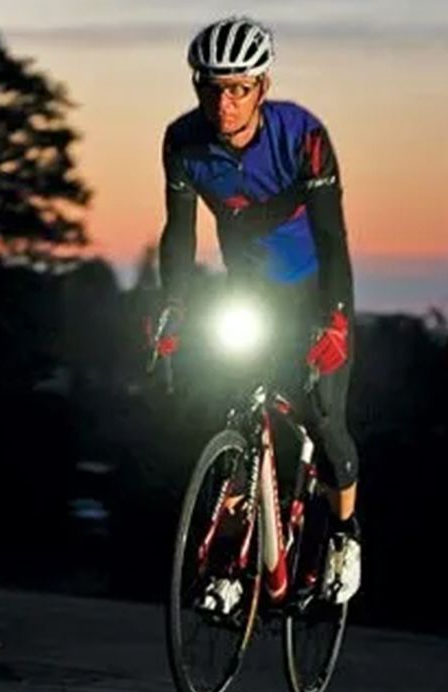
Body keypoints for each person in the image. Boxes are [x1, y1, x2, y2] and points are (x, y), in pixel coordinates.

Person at [153, 16, 361, 604]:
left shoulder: (303, 137)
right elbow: (179, 234)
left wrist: (336, 318)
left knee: (323, 416)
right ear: (198, 86)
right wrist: (173, 308)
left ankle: (344, 536)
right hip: (248, 291)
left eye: (240, 87)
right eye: (214, 87)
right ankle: (229, 558)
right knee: (235, 407)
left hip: (315, 290)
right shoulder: (183, 142)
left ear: (262, 87)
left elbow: (331, 236)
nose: (226, 101)